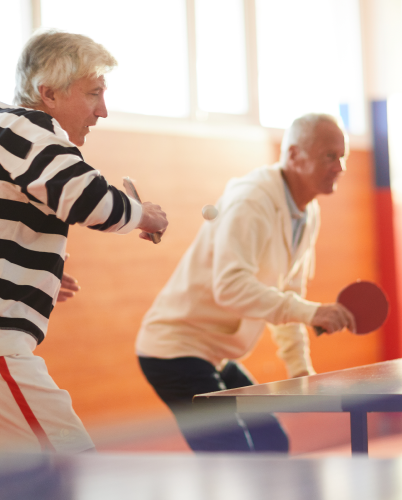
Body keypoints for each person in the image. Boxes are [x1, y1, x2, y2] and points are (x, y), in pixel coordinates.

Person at [0, 29, 168, 454]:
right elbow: (87, 198)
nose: (102, 110)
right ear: (47, 93)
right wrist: (143, 215)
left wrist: (34, 272)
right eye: (93, 93)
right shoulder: (27, 130)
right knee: (72, 468)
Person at [136, 113, 354, 453]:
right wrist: (313, 313)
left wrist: (299, 370)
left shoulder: (307, 213)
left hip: (215, 354)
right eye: (330, 156)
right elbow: (231, 287)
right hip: (175, 350)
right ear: (295, 155)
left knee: (272, 443)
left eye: (343, 156)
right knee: (234, 459)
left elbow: (288, 294)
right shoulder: (252, 200)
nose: (339, 166)